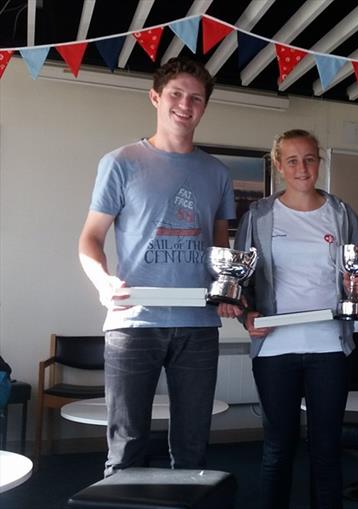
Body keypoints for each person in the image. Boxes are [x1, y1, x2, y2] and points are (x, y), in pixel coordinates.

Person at [78, 57, 236, 476]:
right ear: (155, 97)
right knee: (126, 448)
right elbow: (90, 239)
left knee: (192, 447)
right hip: (133, 321)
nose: (186, 105)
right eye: (176, 95)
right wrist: (102, 280)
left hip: (199, 324)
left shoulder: (217, 173)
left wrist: (227, 291)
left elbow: (220, 249)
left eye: (196, 98)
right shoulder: (121, 162)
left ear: (204, 106)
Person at [217, 129, 358, 509]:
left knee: (326, 449)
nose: (303, 167)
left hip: (329, 346)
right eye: (293, 160)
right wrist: (247, 316)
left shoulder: (342, 213)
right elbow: (240, 281)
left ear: (320, 162)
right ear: (279, 166)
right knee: (277, 449)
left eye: (310, 158)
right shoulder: (260, 215)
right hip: (274, 349)